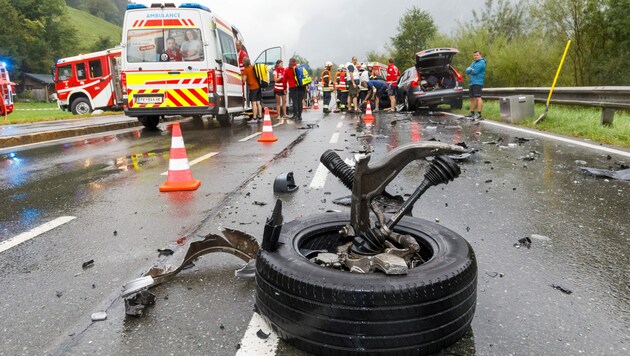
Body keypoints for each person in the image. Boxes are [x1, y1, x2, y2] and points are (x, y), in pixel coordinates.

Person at [465, 50, 487, 119]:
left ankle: (479, 114)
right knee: (472, 98)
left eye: (477, 55)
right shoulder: (473, 63)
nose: (476, 56)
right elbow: (466, 71)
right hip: (472, 82)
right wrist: (471, 69)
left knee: (478, 98)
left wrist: (471, 69)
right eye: (474, 55)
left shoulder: (482, 62)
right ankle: (472, 113)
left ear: (480, 55)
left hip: (478, 82)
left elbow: (475, 72)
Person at [241, 57, 262, 121]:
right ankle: (260, 116)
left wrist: (242, 76)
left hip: (253, 87)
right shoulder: (253, 68)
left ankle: (254, 117)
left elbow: (244, 80)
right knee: (258, 103)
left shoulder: (245, 70)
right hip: (258, 86)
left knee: (253, 103)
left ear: (244, 63)